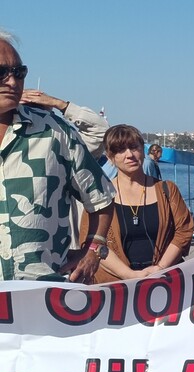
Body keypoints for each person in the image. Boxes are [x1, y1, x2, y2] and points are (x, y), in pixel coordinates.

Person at [0, 35, 115, 282]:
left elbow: (102, 199)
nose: (13, 81)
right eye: (2, 72)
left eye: (19, 72)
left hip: (42, 299)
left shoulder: (54, 133)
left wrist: (93, 250)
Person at [79, 125, 193, 283]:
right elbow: (91, 242)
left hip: (165, 283)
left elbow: (184, 231)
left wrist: (160, 268)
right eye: (120, 150)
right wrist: (128, 275)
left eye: (134, 147)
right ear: (110, 157)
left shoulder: (167, 190)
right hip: (116, 288)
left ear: (143, 150)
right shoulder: (100, 195)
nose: (129, 155)